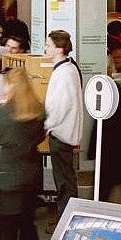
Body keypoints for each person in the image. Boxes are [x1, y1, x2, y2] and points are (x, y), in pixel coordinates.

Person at [0, 67, 48, 240]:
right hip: (31, 174)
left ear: (11, 85)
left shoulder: (7, 111)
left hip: (8, 176)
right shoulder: (37, 109)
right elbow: (39, 136)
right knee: (28, 226)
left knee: (6, 232)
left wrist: (0, 108)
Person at [42, 30, 86, 220]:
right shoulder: (67, 67)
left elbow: (60, 107)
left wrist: (45, 127)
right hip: (63, 132)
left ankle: (66, 220)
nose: (45, 48)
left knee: (65, 181)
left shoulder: (64, 72)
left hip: (61, 133)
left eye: (48, 45)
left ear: (59, 48)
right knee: (65, 179)